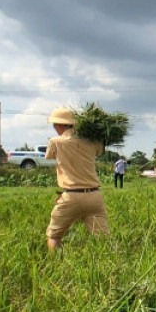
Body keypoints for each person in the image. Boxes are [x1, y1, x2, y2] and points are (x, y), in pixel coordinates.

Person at [44, 107, 109, 250]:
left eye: (55, 125)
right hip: (94, 196)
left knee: (54, 235)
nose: (55, 128)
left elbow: (49, 156)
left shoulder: (56, 142)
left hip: (71, 196)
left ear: (60, 125)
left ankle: (55, 264)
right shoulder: (92, 141)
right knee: (103, 239)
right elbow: (101, 150)